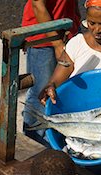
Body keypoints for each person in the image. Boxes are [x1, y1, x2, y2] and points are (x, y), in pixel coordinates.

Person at [22, 0, 81, 145]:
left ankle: (53, 140)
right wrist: (57, 44)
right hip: (43, 38)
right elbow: (38, 5)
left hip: (67, 31)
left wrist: (76, 22)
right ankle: (32, 142)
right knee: (40, 93)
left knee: (63, 91)